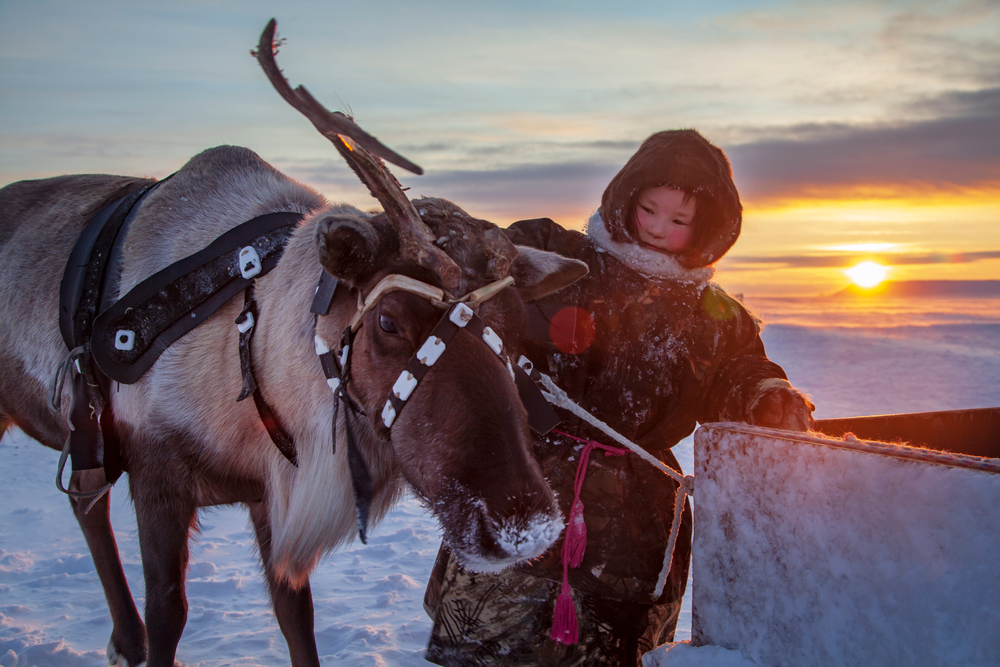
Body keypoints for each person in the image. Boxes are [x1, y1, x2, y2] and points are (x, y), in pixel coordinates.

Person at [422, 129, 815, 666]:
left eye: (679, 222)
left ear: (708, 229)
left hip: (636, 525)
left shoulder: (715, 317)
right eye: (649, 209)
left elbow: (742, 372)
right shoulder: (559, 255)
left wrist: (768, 395)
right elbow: (485, 263)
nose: (657, 229)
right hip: (526, 482)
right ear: (626, 198)